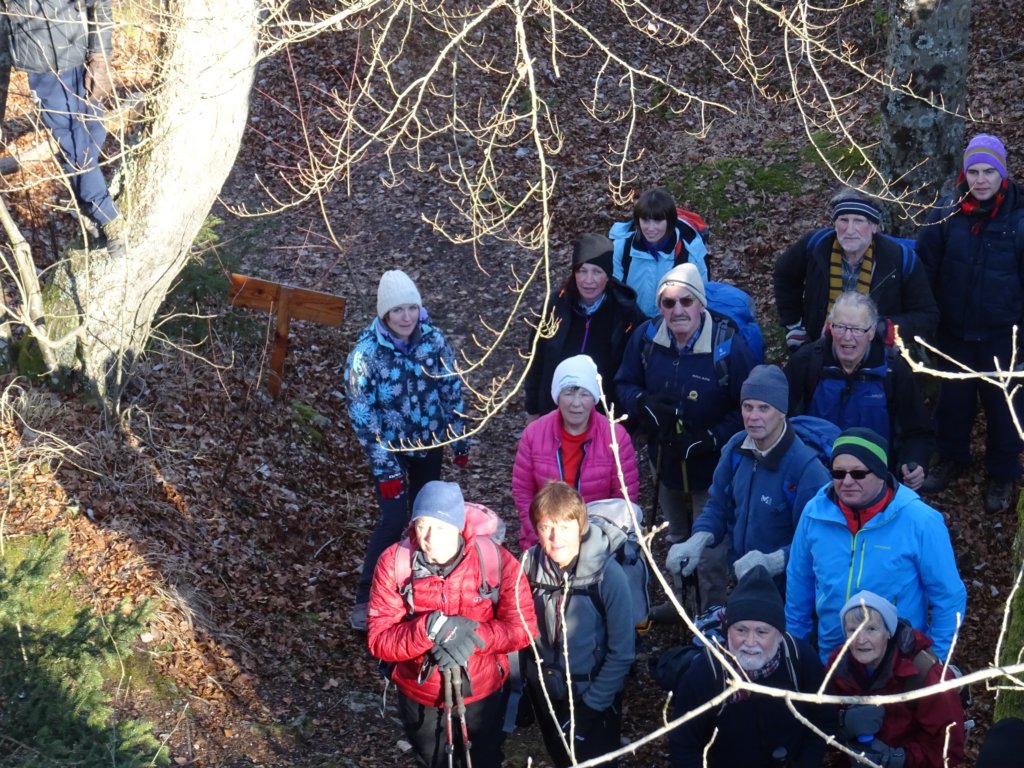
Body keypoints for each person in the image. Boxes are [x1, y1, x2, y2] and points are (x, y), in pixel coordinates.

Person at [615, 262, 757, 613]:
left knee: (709, 548)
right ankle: (683, 606)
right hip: (665, 459)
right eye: (668, 302)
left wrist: (710, 439)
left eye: (686, 301)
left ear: (700, 303)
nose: (677, 310)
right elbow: (624, 383)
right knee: (677, 535)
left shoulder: (728, 346)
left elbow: (750, 408)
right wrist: (644, 404)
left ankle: (711, 615)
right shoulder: (647, 338)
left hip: (714, 468)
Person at [367, 481, 537, 768]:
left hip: (484, 691)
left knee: (484, 759)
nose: (430, 538)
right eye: (422, 525)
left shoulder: (495, 561)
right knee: (432, 761)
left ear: (458, 527)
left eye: (441, 527)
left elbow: (523, 628)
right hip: (420, 694)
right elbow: (379, 640)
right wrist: (430, 629)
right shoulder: (395, 564)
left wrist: (468, 636)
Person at [345, 270, 470, 631]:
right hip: (390, 450)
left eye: (411, 308)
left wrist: (459, 439)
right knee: (394, 518)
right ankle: (366, 597)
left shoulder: (434, 342)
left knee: (427, 518)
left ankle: (422, 589)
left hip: (429, 444)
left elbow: (451, 390)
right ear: (385, 314)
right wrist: (385, 469)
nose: (406, 317)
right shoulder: (365, 355)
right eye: (397, 310)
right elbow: (362, 414)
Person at [785, 427, 966, 663]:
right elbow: (799, 580)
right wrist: (796, 649)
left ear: (881, 474)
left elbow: (949, 597)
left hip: (898, 661)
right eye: (838, 473)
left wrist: (936, 660)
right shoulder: (814, 513)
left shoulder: (920, 521)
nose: (847, 481)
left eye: (858, 474)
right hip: (832, 656)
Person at [917, 134, 1024, 513]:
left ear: (1002, 174)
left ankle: (1002, 473)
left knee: (1005, 409)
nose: (980, 180)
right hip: (954, 333)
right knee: (953, 404)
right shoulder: (946, 214)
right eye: (974, 172)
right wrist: (929, 324)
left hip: (1004, 337)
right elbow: (925, 271)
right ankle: (951, 457)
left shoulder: (1019, 218)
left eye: (988, 172)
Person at [665, 364, 831, 599]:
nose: (753, 417)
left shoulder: (807, 470)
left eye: (764, 408)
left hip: (790, 593)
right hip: (744, 582)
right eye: (747, 407)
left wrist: (774, 561)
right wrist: (698, 539)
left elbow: (820, 540)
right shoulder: (736, 447)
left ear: (782, 412)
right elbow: (718, 506)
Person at [519, 482, 635, 768]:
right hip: (549, 694)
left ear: (581, 526)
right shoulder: (528, 566)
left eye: (565, 527)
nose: (555, 538)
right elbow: (517, 629)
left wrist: (590, 709)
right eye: (546, 527)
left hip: (595, 696)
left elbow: (622, 653)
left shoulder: (608, 575)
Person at [668, 565, 832, 767]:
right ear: (727, 631)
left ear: (780, 635)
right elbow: (684, 744)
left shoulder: (800, 660)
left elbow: (823, 719)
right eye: (741, 630)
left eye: (762, 632)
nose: (750, 641)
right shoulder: (706, 674)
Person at [0, 0, 124, 251]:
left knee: (93, 134)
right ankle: (107, 217)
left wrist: (100, 58)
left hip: (82, 55)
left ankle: (87, 207)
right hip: (43, 71)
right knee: (74, 144)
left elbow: (99, 5)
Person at [785, 292, 933, 490]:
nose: (847, 337)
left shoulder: (893, 371)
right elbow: (782, 420)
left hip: (874, 481)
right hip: (815, 479)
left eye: (856, 329)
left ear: (871, 332)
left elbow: (916, 430)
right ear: (830, 327)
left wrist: (915, 461)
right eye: (840, 327)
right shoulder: (806, 363)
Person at [774, 188, 937, 351]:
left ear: (874, 226)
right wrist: (794, 325)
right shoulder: (816, 245)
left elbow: (926, 316)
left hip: (876, 352)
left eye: (859, 221)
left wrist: (882, 329)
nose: (850, 230)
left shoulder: (901, 259)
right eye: (843, 220)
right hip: (818, 346)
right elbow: (784, 275)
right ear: (835, 224)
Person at [513, 354, 639, 550]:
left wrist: (597, 541)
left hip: (598, 542)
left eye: (585, 394)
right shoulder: (534, 434)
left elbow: (623, 501)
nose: (576, 403)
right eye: (569, 393)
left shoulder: (616, 437)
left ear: (595, 398)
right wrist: (541, 534)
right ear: (557, 396)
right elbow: (523, 492)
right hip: (546, 539)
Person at [828, 591, 965, 768]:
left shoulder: (925, 674)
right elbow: (817, 722)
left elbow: (949, 748)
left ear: (888, 632)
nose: (860, 640)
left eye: (871, 629)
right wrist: (842, 723)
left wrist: (898, 759)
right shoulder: (838, 665)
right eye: (852, 630)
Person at [523, 234, 645, 422]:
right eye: (582, 271)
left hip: (604, 418)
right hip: (554, 412)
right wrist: (532, 409)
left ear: (608, 275)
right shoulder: (555, 306)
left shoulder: (625, 314)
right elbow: (535, 360)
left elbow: (632, 373)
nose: (589, 280)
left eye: (597, 272)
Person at [609, 187, 710, 317]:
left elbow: (701, 297)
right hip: (630, 321)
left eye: (658, 220)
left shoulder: (690, 252)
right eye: (645, 220)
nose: (651, 228)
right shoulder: (622, 247)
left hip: (675, 321)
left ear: (670, 221)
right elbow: (613, 293)